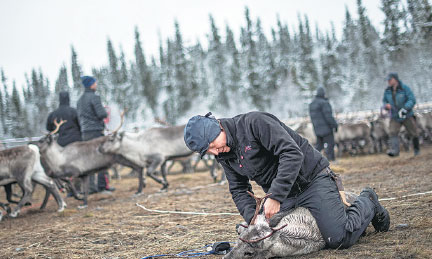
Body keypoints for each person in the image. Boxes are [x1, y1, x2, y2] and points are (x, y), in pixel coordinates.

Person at [184, 111, 390, 249]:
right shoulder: (224, 154)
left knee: (337, 239)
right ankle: (335, 211)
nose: (214, 151)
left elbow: (291, 153)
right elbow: (238, 189)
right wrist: (254, 219)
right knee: (271, 236)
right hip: (286, 195)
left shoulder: (254, 123)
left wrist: (274, 196)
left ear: (217, 127)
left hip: (311, 180)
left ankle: (367, 201)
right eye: (208, 151)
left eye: (212, 143)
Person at [77, 76, 115, 194]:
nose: (96, 84)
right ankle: (102, 186)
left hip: (85, 133)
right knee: (102, 157)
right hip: (96, 131)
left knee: (89, 159)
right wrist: (105, 112)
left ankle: (90, 188)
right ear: (91, 84)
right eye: (95, 83)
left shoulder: (80, 100)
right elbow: (101, 114)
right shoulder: (94, 97)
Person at [46, 91, 83, 196]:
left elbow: (48, 128)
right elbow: (81, 124)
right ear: (68, 99)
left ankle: (70, 190)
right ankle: (78, 188)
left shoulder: (53, 114)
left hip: (62, 144)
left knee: (66, 167)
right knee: (77, 166)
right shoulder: (74, 111)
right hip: (76, 143)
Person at [383, 72, 419, 157]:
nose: (388, 82)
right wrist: (386, 106)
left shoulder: (405, 88)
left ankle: (417, 150)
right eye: (388, 80)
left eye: (390, 80)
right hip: (395, 116)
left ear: (395, 79)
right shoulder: (387, 91)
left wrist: (405, 108)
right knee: (392, 132)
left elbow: (412, 100)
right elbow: (385, 101)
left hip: (407, 115)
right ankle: (395, 151)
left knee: (413, 132)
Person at [309, 87, 338, 161]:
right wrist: (335, 125)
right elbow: (328, 116)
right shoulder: (324, 103)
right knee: (330, 144)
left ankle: (313, 160)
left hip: (317, 129)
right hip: (327, 129)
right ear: (323, 94)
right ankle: (331, 160)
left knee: (319, 146)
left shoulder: (312, 104)